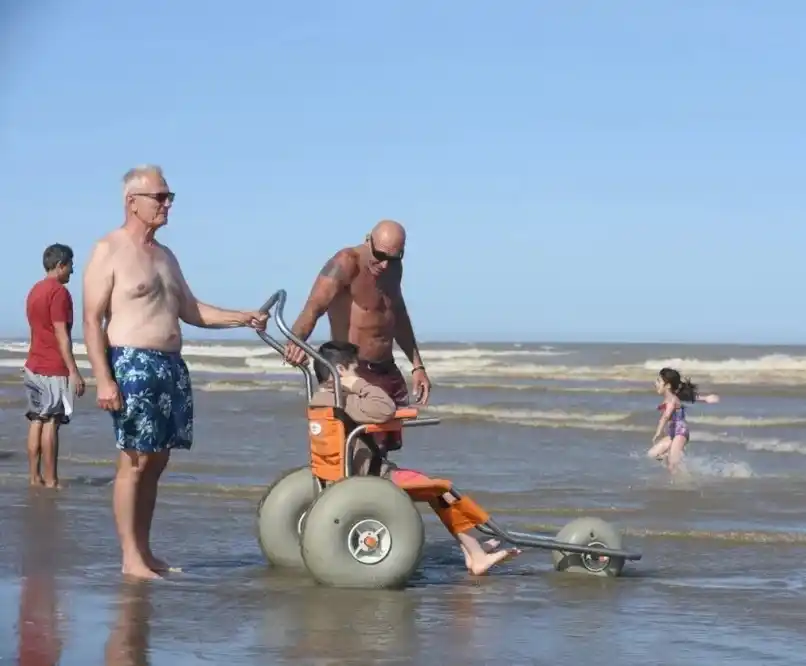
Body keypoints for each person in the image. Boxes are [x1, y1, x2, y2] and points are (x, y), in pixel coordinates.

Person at [81, 164, 268, 580]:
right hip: (132, 363)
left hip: (170, 367)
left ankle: (145, 553)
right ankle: (130, 558)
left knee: (158, 461)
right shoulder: (108, 250)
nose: (167, 204)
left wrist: (243, 317)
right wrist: (104, 379)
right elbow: (92, 321)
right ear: (132, 202)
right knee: (134, 460)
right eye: (160, 197)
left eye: (170, 197)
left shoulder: (165, 255)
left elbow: (191, 309)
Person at [308, 341, 520, 575]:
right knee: (442, 490)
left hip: (351, 476)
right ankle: (476, 557)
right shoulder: (343, 400)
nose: (359, 374)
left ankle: (471, 546)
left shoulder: (320, 398)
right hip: (372, 479)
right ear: (340, 371)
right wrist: (357, 383)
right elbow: (384, 408)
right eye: (355, 369)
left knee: (430, 484)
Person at [283, 220, 432, 411]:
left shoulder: (393, 268)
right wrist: (296, 341)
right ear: (368, 240)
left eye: (395, 257)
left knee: (392, 435)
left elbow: (398, 316)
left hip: (387, 369)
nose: (385, 264)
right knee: (356, 437)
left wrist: (417, 366)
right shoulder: (346, 262)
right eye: (380, 255)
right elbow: (314, 307)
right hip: (354, 371)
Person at [23, 243, 86, 488]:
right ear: (60, 265)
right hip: (52, 366)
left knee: (36, 419)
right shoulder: (58, 293)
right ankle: (51, 479)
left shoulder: (34, 290)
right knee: (52, 421)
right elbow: (62, 333)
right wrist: (74, 370)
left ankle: (34, 477)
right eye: (70, 266)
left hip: (33, 363)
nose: (72, 271)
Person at [647, 367, 720, 473]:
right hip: (672, 433)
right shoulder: (673, 396)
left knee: (673, 464)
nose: (655, 383)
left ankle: (683, 484)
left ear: (667, 385)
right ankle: (672, 460)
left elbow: (665, 417)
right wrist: (706, 398)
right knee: (652, 454)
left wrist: (658, 432)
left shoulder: (672, 400)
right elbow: (689, 396)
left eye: (658, 381)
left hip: (680, 432)